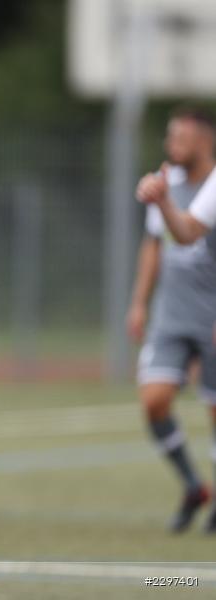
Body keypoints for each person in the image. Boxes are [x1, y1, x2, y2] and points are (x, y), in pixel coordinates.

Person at [132, 106, 216, 532]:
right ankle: (192, 485)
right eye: (170, 137)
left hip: (212, 315)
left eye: (181, 137)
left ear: (205, 140)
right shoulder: (169, 182)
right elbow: (176, 236)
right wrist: (139, 303)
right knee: (154, 400)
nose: (172, 145)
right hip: (173, 313)